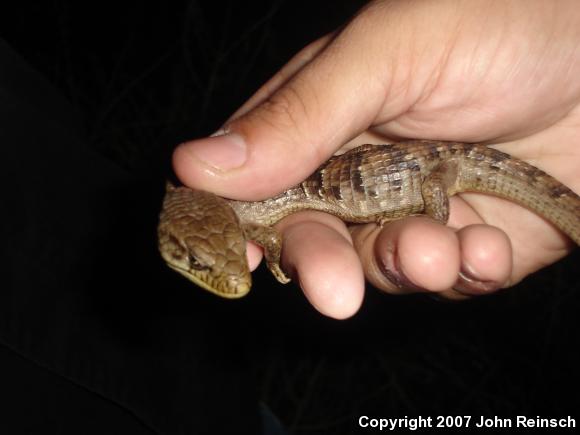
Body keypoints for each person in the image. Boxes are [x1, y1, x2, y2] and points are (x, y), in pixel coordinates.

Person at [1, 0, 578, 433]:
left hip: (443, 167)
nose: (229, 278)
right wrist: (271, 251)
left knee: (430, 227)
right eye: (206, 262)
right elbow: (258, 237)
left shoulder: (224, 192)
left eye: (210, 260)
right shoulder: (228, 217)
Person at [173, 0, 580, 319]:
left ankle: (430, 221)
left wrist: (428, 217)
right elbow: (271, 238)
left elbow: (272, 238)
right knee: (421, 248)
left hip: (444, 165)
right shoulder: (233, 218)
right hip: (410, 168)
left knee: (433, 202)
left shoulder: (228, 202)